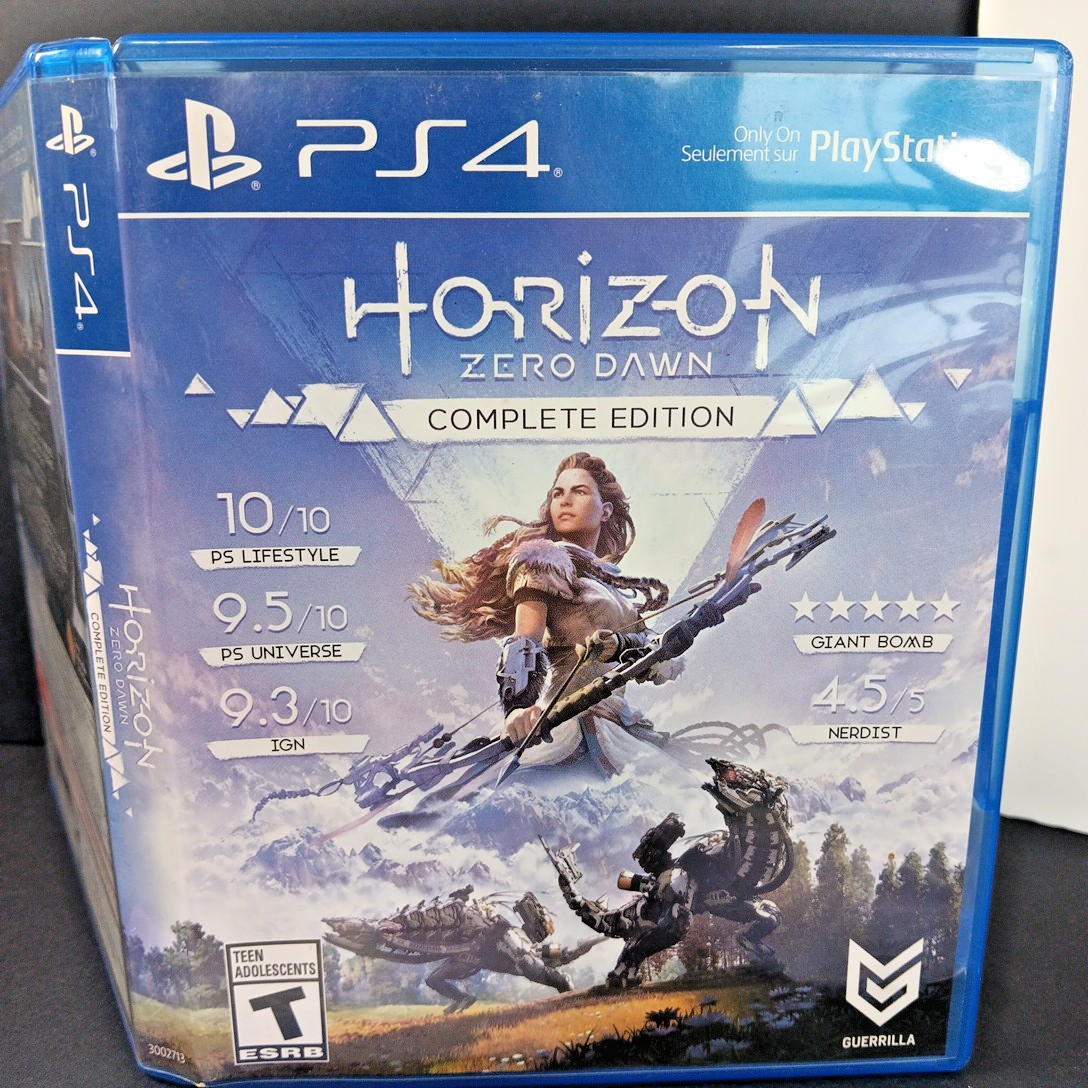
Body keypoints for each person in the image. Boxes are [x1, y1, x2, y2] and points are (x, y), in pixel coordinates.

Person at [409, 452, 677, 778]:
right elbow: (525, 642)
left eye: (579, 491)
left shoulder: (615, 590)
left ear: (605, 510)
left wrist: (671, 649)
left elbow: (649, 655)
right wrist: (518, 708)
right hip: (565, 727)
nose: (565, 501)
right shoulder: (543, 561)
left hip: (621, 730)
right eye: (557, 493)